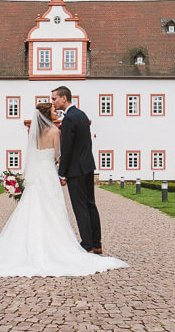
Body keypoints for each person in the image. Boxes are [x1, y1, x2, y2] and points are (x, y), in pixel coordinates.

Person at [0, 102, 127, 277]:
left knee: (31, 208)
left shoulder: (34, 134)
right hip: (48, 175)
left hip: (36, 177)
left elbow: (34, 156)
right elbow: (59, 155)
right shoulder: (55, 132)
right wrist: (63, 172)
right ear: (48, 115)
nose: (57, 111)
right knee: (52, 208)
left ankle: (26, 247)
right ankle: (58, 245)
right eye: (54, 110)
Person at [51, 85, 103, 253]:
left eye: (54, 99)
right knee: (90, 205)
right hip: (87, 166)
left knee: (80, 207)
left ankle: (87, 245)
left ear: (64, 98)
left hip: (75, 170)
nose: (53, 102)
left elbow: (67, 148)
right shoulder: (81, 115)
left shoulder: (69, 119)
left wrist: (62, 173)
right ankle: (97, 243)